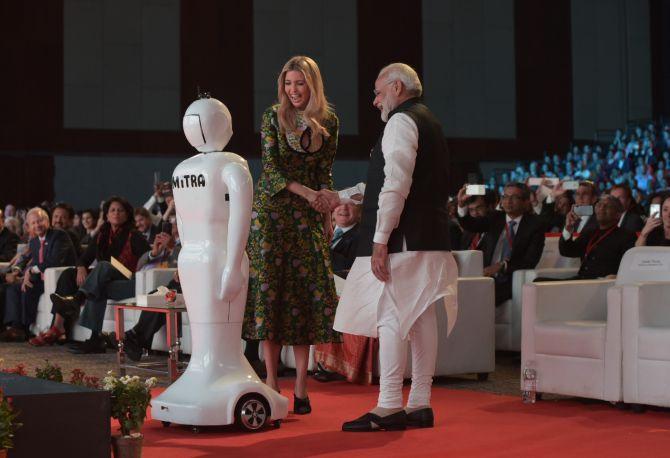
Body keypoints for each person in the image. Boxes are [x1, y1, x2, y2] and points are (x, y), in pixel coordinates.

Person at [317, 63, 457, 431]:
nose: (375, 100)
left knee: (391, 314)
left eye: (378, 92)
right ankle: (421, 403)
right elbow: (387, 184)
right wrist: (341, 196)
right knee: (422, 316)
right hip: (431, 237)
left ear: (396, 87)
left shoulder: (399, 121)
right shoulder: (430, 121)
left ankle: (389, 404)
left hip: (403, 239)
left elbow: (395, 185)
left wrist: (380, 241)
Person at [242, 56, 340, 415]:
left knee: (303, 296)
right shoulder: (272, 117)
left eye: (300, 84)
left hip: (309, 216)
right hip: (272, 215)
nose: (293, 90)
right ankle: (270, 381)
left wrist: (326, 207)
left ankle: (300, 386)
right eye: (288, 83)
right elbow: (272, 170)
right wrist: (311, 195)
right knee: (271, 296)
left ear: (312, 85)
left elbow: (325, 172)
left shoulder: (329, 121)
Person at [30, 197, 151, 351]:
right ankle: (91, 337)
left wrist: (155, 253)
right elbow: (85, 257)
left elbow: (149, 257)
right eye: (112, 210)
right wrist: (81, 267)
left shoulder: (134, 235)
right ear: (106, 215)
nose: (116, 213)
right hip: (107, 281)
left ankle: (78, 298)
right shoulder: (102, 234)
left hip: (129, 282)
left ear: (127, 215)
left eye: (120, 210)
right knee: (71, 274)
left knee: (103, 266)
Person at [457, 182, 545, 306]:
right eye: (505, 197)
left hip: (509, 279)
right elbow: (471, 225)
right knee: (456, 292)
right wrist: (461, 206)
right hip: (484, 275)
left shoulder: (534, 225)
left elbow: (530, 260)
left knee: (477, 296)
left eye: (514, 197)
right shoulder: (495, 218)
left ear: (526, 202)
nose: (508, 201)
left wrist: (502, 266)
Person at [1, 208, 76, 342]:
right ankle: (15, 327)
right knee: (13, 288)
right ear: (29, 226)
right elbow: (31, 260)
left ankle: (25, 328)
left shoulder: (59, 235)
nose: (37, 225)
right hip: (40, 280)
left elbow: (55, 260)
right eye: (33, 223)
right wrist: (23, 273)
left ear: (48, 221)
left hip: (58, 280)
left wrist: (30, 271)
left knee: (27, 288)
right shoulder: (35, 242)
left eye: (40, 221)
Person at [536, 195, 636, 281]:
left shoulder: (627, 236)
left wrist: (616, 277)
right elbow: (567, 251)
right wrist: (568, 228)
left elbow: (629, 268)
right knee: (538, 281)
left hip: (601, 283)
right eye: (599, 205)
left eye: (607, 206)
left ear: (618, 215)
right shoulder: (590, 232)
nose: (601, 208)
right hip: (582, 280)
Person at [330, 203, 361, 275]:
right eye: (339, 203)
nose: (344, 207)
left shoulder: (364, 236)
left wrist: (320, 245)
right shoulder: (322, 227)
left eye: (351, 204)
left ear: (359, 211)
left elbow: (347, 265)